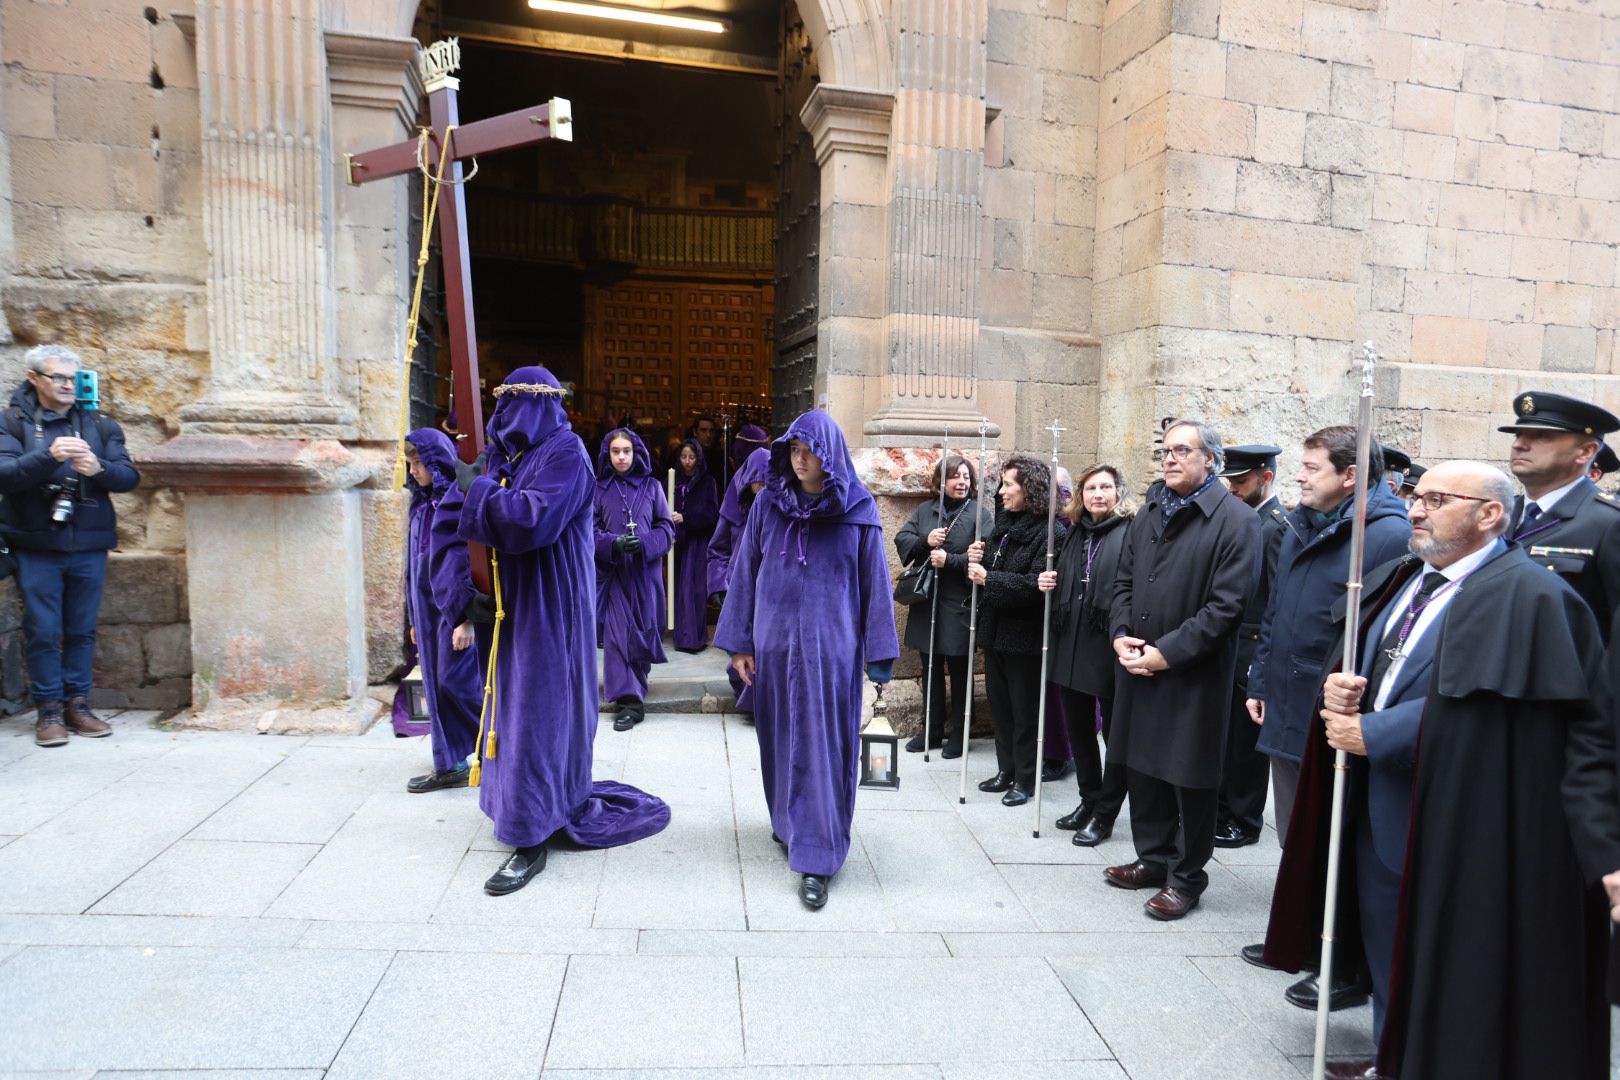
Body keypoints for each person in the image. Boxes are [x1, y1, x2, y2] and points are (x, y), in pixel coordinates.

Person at [1265, 461, 1609, 1080]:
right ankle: (1391, 1058)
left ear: (1490, 515)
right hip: (1377, 805)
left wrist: (1374, 731)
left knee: (1438, 959)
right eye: (1414, 497)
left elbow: (1491, 708)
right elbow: (1385, 663)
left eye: (1436, 499)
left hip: (1453, 815)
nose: (1415, 510)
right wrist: (1344, 690)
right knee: (1382, 946)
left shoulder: (1530, 596)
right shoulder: (1407, 575)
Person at [457, 367, 670, 896]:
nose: (501, 419)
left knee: (538, 713)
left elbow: (533, 519)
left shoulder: (566, 452)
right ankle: (519, 807)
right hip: (517, 605)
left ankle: (531, 837)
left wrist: (479, 491)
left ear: (534, 407)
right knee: (513, 708)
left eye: (510, 407)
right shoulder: (519, 457)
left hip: (551, 609)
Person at [1238, 427, 1410, 1011]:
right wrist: (1259, 678)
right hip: (1285, 698)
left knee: (1332, 835)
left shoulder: (1385, 537)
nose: (1300, 476)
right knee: (1295, 829)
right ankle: (1301, 932)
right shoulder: (1300, 524)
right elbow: (1277, 609)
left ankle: (1337, 956)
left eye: (1312, 467)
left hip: (1330, 708)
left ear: (1351, 476)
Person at [714, 410, 899, 910]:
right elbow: (745, 572)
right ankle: (788, 825)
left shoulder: (857, 511)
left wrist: (880, 656)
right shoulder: (767, 507)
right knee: (778, 739)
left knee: (821, 747)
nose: (800, 460)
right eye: (793, 451)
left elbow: (874, 587)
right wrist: (740, 644)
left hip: (829, 654)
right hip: (773, 650)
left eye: (809, 451)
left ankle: (817, 856)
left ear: (829, 455)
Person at [1103, 420, 1260, 920]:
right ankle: (1152, 858)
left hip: (1193, 673)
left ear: (1209, 460)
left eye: (1181, 450)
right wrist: (1121, 633)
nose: (1169, 459)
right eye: (1164, 451)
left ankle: (1187, 877)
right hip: (1138, 662)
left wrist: (1166, 653)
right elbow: (1123, 581)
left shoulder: (1236, 520)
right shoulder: (1149, 510)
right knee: (1141, 764)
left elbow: (1226, 607)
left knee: (1188, 774)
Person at [0, 345, 140, 748]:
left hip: (89, 543)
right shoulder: (11, 422)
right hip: (35, 544)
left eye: (73, 378)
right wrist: (48, 457)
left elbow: (129, 477)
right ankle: (49, 710)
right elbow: (5, 475)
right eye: (57, 377)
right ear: (34, 379)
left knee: (81, 630)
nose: (67, 385)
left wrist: (99, 469)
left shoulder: (101, 424)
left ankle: (79, 704)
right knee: (43, 630)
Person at [1038, 463, 1135, 845]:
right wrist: (1050, 582)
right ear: (1081, 495)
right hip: (1071, 642)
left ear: (1118, 493)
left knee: (1113, 734)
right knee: (1079, 728)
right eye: (1091, 488)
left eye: (1105, 487)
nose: (1098, 494)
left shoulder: (1130, 531)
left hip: (1107, 642)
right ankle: (1087, 798)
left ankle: (1106, 812)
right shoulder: (1076, 532)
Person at [968, 455, 1064, 808]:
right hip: (995, 631)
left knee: (1025, 713)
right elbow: (993, 568)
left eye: (1009, 484)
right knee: (1001, 708)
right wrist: (977, 559)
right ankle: (1005, 770)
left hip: (1025, 635)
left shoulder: (1052, 533)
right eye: (1003, 484)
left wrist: (988, 578)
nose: (1002, 491)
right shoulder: (1003, 526)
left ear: (1030, 489)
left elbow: (1037, 585)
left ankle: (1025, 778)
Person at [1212, 444, 1286, 849]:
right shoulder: (1244, 520)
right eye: (1232, 481)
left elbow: (1276, 597)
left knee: (1245, 745)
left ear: (1266, 477)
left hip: (1253, 648)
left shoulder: (1276, 525)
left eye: (1242, 481)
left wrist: (1262, 663)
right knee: (1227, 740)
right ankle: (1223, 810)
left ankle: (1245, 819)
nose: (1234, 489)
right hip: (1231, 643)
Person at [401, 430, 484, 793]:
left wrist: (465, 617)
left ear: (436, 460)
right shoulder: (420, 506)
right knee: (436, 686)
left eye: (420, 462)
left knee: (457, 682)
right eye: (410, 463)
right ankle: (450, 762)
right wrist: (412, 619)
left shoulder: (456, 501)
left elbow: (466, 560)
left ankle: (495, 745)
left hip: (452, 612)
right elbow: (411, 566)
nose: (415, 470)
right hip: (426, 613)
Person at [893, 453, 992, 757]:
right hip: (928, 603)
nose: (961, 482)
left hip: (958, 602)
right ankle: (931, 730)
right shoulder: (926, 511)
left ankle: (960, 734)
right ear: (941, 481)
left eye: (966, 477)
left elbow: (987, 558)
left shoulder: (980, 514)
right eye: (955, 477)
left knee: (960, 669)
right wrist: (926, 540)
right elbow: (902, 538)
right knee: (931, 666)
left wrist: (952, 561)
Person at [1499, 390, 1620, 633]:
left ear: (1586, 452)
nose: (1519, 444)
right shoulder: (1501, 514)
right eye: (1519, 434)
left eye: (1541, 436)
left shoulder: (1609, 523)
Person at [593, 428, 675, 732]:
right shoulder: (597, 489)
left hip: (645, 575)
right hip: (615, 577)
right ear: (607, 454)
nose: (621, 456)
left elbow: (667, 529)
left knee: (641, 633)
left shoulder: (653, 488)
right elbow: (587, 533)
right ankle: (628, 702)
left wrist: (645, 542)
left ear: (636, 452)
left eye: (626, 450)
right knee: (616, 637)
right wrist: (612, 544)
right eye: (615, 451)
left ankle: (637, 684)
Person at [707, 447, 772, 714]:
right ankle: (749, 697)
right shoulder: (734, 510)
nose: (761, 486)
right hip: (737, 588)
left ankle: (758, 704)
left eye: (766, 481)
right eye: (756, 481)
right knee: (741, 647)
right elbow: (717, 549)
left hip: (767, 591)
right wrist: (718, 585)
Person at [670, 438, 720, 653]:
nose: (687, 462)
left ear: (698, 458)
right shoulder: (673, 481)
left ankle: (694, 637)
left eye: (691, 457)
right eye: (683, 457)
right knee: (678, 589)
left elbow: (712, 514)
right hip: (677, 541)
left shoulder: (708, 482)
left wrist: (686, 517)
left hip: (698, 542)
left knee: (694, 589)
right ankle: (681, 634)